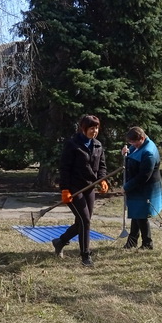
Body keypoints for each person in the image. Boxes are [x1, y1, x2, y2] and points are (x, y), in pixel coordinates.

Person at [52, 114, 109, 267]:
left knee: (83, 222)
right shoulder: (72, 145)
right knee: (85, 221)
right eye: (92, 128)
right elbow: (65, 169)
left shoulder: (97, 145)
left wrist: (102, 179)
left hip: (89, 188)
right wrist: (64, 190)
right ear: (83, 128)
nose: (95, 131)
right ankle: (85, 256)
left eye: (97, 128)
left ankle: (60, 241)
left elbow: (102, 166)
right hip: (73, 189)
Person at [120, 126, 162, 250]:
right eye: (130, 143)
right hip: (137, 189)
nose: (132, 145)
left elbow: (143, 176)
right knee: (136, 214)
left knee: (141, 216)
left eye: (134, 142)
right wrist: (125, 153)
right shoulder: (140, 145)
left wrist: (126, 187)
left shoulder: (148, 153)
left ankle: (147, 243)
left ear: (142, 138)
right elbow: (132, 154)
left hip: (145, 189)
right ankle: (132, 242)